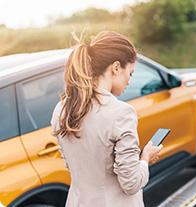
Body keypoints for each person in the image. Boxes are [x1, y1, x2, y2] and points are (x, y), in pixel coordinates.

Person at [50, 31, 162, 207]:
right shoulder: (121, 113)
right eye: (130, 73)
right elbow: (131, 183)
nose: (129, 81)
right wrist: (145, 158)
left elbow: (73, 165)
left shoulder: (61, 109)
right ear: (116, 68)